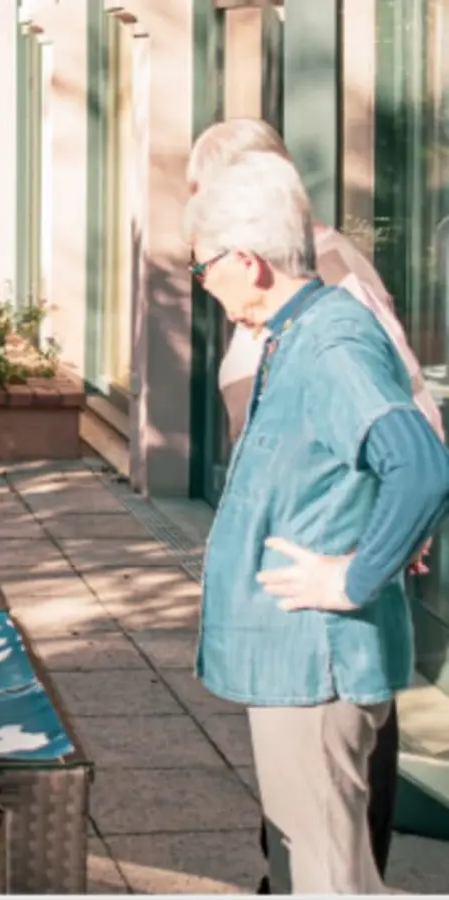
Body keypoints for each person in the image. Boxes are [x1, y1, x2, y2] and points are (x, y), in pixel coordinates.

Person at [186, 117, 444, 894]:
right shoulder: (298, 330)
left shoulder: (330, 340)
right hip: (295, 666)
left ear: (249, 262)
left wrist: (352, 579)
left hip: (317, 663)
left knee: (328, 879)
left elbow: (421, 465)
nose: (201, 284)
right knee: (331, 871)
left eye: (204, 267)